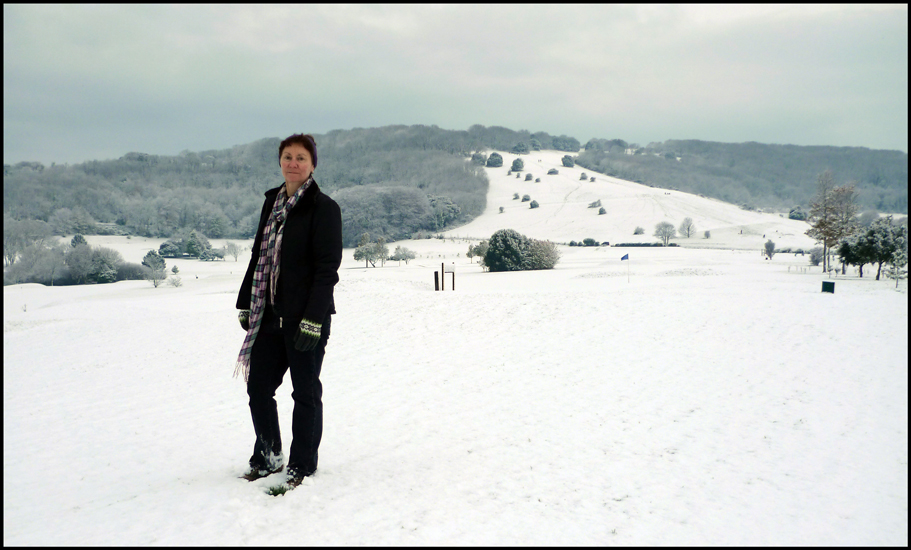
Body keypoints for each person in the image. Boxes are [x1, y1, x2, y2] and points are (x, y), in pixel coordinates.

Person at [234, 133, 342, 486]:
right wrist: (245, 302)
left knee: (305, 392)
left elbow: (327, 270)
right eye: (287, 157)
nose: (293, 163)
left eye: (301, 158)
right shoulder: (272, 204)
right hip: (269, 315)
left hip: (305, 320)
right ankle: (268, 457)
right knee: (259, 389)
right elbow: (259, 256)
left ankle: (302, 465)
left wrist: (312, 320)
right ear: (279, 161)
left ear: (312, 165)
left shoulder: (324, 208)